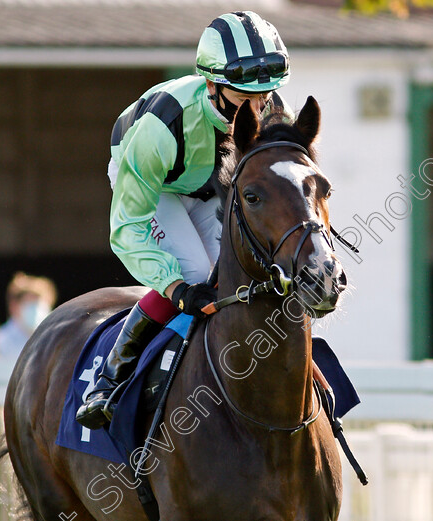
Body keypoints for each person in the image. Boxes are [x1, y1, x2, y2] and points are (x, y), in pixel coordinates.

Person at [76, 11, 293, 429]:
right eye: (244, 97)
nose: (257, 108)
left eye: (265, 96)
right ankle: (111, 375)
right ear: (211, 85)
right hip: (153, 186)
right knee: (196, 277)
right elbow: (126, 230)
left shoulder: (272, 111)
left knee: (239, 277)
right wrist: (175, 289)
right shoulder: (163, 124)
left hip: (208, 186)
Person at [0, 272, 58, 357]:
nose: (36, 310)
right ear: (14, 306)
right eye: (30, 304)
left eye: (40, 305)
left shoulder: (56, 337)